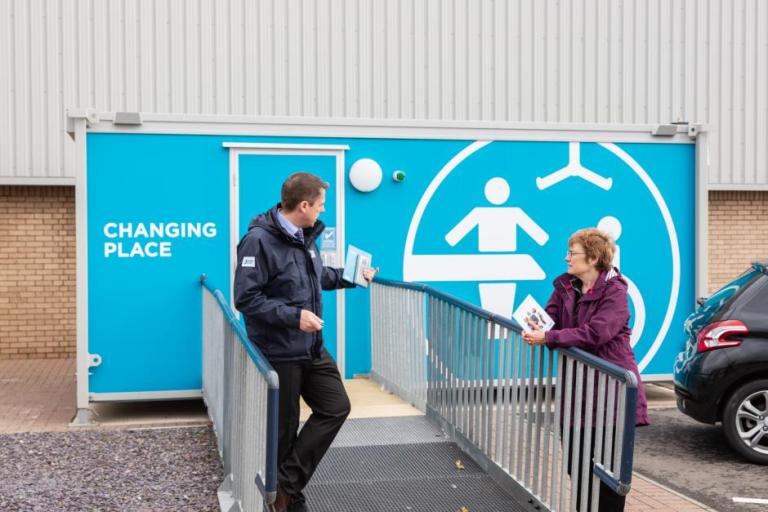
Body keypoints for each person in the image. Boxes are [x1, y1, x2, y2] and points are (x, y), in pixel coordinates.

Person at [234, 172, 378, 512]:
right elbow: (247, 299)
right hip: (279, 351)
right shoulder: (258, 241)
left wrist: (351, 276)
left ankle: (285, 485)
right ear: (303, 206)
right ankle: (288, 501)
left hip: (311, 348)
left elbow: (316, 277)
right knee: (284, 431)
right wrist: (293, 316)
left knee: (336, 407)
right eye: (320, 204)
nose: (322, 210)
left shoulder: (304, 236)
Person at [522, 228, 649, 512]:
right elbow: (551, 319)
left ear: (592, 258)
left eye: (572, 253)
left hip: (611, 395)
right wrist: (537, 327)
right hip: (578, 392)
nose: (567, 258)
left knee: (610, 476)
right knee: (576, 469)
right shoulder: (565, 287)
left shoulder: (616, 292)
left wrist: (550, 338)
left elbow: (597, 333)